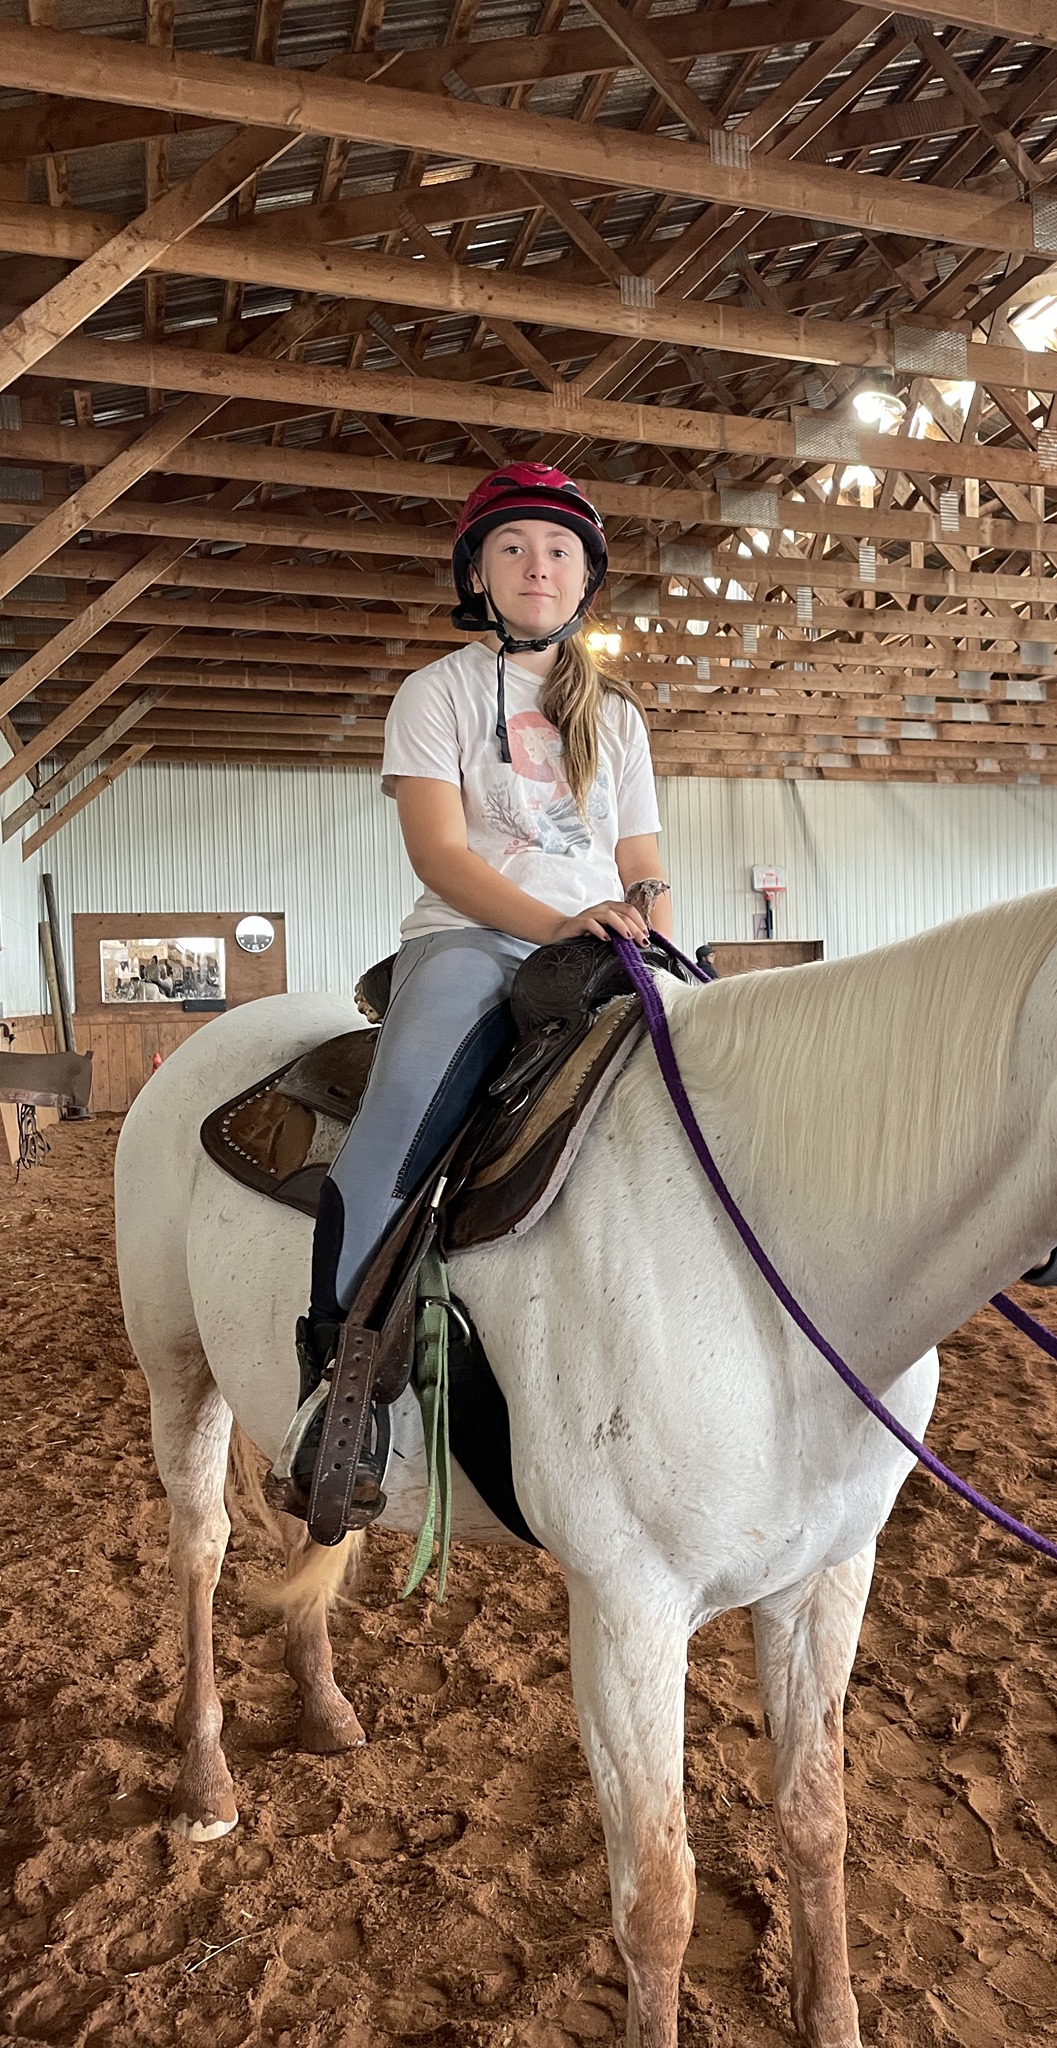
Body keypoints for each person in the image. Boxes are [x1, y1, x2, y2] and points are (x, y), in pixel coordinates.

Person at [281, 462, 671, 1529]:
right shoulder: (438, 693)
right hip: (475, 942)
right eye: (513, 549)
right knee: (395, 1126)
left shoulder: (618, 715)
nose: (537, 565)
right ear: (478, 576)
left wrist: (653, 923)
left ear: (584, 578)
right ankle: (339, 1394)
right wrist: (555, 924)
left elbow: (639, 855)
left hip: (606, 942)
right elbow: (441, 854)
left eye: (558, 551)